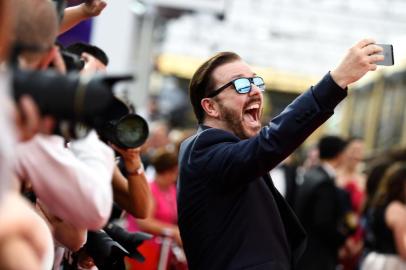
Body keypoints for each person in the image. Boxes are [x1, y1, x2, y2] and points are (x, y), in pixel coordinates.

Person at [177, 39, 384, 270]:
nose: (255, 90)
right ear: (211, 107)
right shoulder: (203, 150)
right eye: (241, 85)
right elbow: (272, 141)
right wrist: (337, 81)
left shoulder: (228, 151)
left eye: (255, 81)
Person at [294, 135, 355, 270]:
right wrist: (343, 240)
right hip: (317, 254)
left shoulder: (309, 175)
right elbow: (323, 222)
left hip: (303, 249)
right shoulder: (324, 183)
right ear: (340, 155)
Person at [361, 162, 406, 269]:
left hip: (374, 260)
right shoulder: (397, 208)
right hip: (391, 263)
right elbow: (403, 248)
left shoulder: (378, 205)